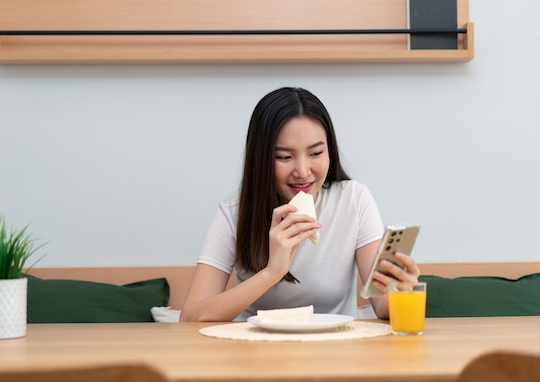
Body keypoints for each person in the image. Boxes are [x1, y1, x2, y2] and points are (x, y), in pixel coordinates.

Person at [180, 87, 420, 322]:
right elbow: (191, 317)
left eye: (316, 153)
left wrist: (402, 289)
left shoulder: (353, 200)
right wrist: (272, 272)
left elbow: (381, 305)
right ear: (261, 158)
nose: (303, 172)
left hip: (336, 352)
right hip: (256, 353)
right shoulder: (234, 214)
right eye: (284, 157)